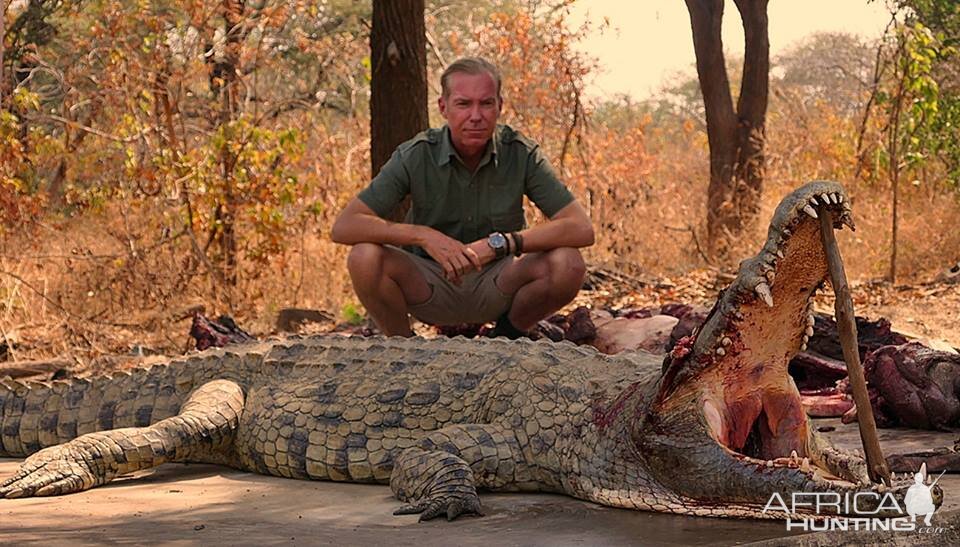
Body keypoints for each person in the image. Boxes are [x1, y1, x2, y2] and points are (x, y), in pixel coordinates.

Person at [331, 57, 594, 338]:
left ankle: (508, 335)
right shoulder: (416, 154)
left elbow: (581, 228)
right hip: (429, 283)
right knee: (363, 257)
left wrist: (503, 243)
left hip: (499, 282)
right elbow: (345, 226)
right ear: (443, 107)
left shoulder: (520, 153)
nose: (476, 116)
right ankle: (402, 346)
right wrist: (422, 236)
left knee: (568, 262)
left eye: (486, 103)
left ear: (500, 106)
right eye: (464, 104)